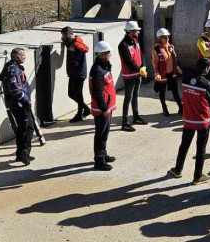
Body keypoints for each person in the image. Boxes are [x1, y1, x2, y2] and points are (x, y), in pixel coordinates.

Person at [169, 58, 210, 184]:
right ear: (207, 68)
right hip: (202, 120)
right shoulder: (206, 84)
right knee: (201, 148)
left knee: (184, 144)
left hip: (188, 118)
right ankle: (197, 176)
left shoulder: (186, 79)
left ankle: (178, 169)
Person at [0, 47, 35, 165]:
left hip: (17, 103)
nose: (25, 57)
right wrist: (25, 100)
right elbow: (15, 89)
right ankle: (25, 152)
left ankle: (20, 154)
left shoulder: (12, 67)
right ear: (15, 57)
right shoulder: (13, 70)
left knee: (22, 127)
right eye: (22, 55)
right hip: (19, 104)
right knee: (28, 127)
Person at [89, 41, 117, 171]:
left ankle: (103, 154)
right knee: (100, 135)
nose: (109, 55)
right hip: (102, 109)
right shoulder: (98, 71)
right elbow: (97, 92)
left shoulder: (103, 67)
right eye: (108, 53)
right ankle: (99, 160)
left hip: (106, 107)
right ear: (102, 55)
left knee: (104, 133)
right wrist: (104, 108)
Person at [119, 21, 148, 132]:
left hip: (138, 74)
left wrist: (144, 66)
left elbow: (141, 54)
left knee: (135, 96)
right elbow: (128, 62)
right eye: (136, 31)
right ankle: (125, 122)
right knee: (128, 98)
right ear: (130, 31)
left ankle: (135, 117)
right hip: (130, 75)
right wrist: (139, 70)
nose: (138, 32)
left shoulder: (135, 41)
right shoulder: (123, 45)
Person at [61, 27, 91, 123]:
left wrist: (72, 51)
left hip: (79, 73)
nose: (63, 37)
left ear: (68, 34)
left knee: (78, 94)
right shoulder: (71, 43)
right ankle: (86, 109)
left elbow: (83, 52)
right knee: (71, 93)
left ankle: (79, 114)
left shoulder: (77, 45)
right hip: (73, 73)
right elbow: (67, 43)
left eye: (64, 35)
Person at [153, 28, 183, 116]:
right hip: (162, 74)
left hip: (172, 73)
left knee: (175, 91)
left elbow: (175, 58)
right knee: (162, 92)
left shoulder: (171, 47)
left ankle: (180, 107)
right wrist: (156, 73)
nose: (167, 39)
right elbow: (154, 62)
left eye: (168, 37)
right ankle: (164, 108)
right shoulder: (156, 50)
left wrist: (177, 67)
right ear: (159, 38)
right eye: (165, 37)